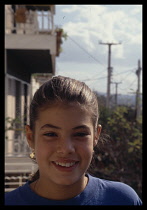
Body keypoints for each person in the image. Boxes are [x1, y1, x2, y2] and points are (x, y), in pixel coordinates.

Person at [5, 75, 142, 205]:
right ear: (30, 137)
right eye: (51, 134)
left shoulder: (122, 199)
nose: (66, 149)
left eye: (80, 134)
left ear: (96, 136)